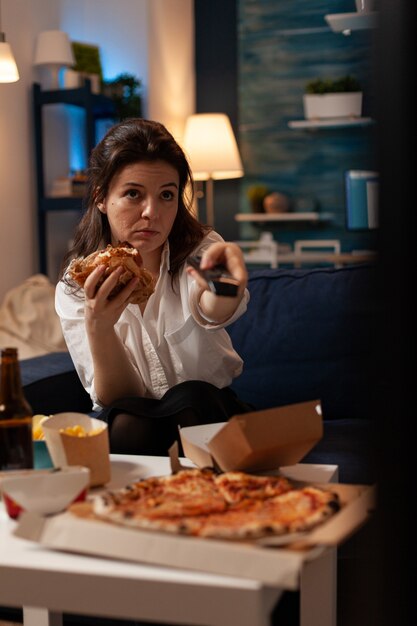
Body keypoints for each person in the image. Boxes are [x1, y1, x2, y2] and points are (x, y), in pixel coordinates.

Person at [55, 117, 252, 456]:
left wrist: (225, 288)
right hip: (137, 424)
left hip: (209, 413)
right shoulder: (77, 287)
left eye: (166, 195)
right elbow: (119, 397)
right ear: (102, 198)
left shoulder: (197, 251)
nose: (151, 212)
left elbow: (210, 307)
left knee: (189, 396)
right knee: (128, 417)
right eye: (133, 194)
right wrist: (99, 326)